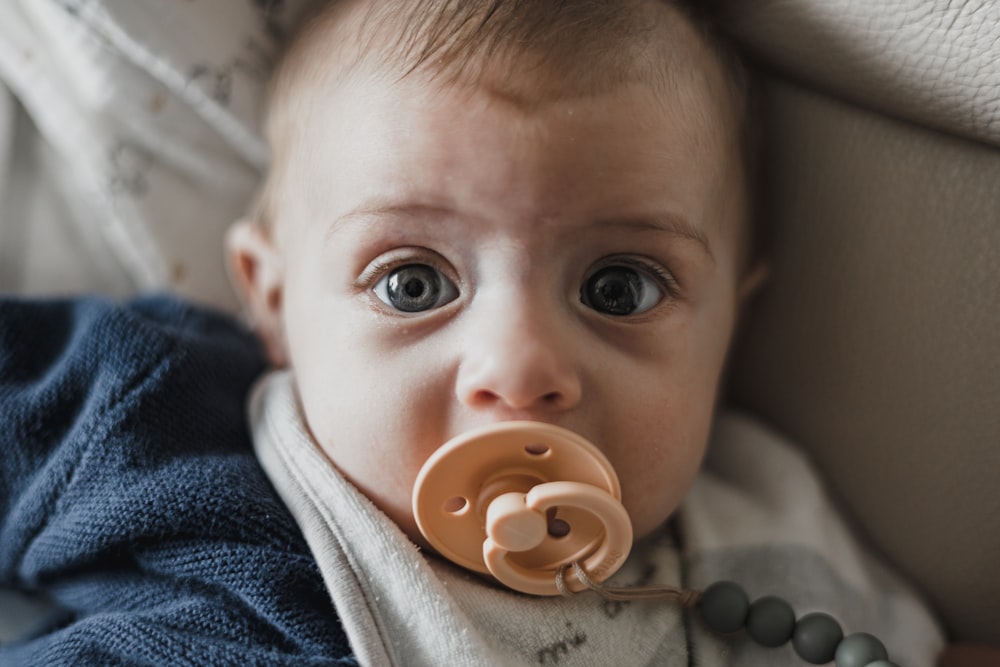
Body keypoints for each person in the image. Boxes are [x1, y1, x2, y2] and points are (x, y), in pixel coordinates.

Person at [0, 0, 979, 664]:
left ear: (731, 322)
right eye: (414, 280)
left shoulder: (768, 532)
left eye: (619, 287)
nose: (519, 370)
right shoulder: (157, 415)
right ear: (272, 296)